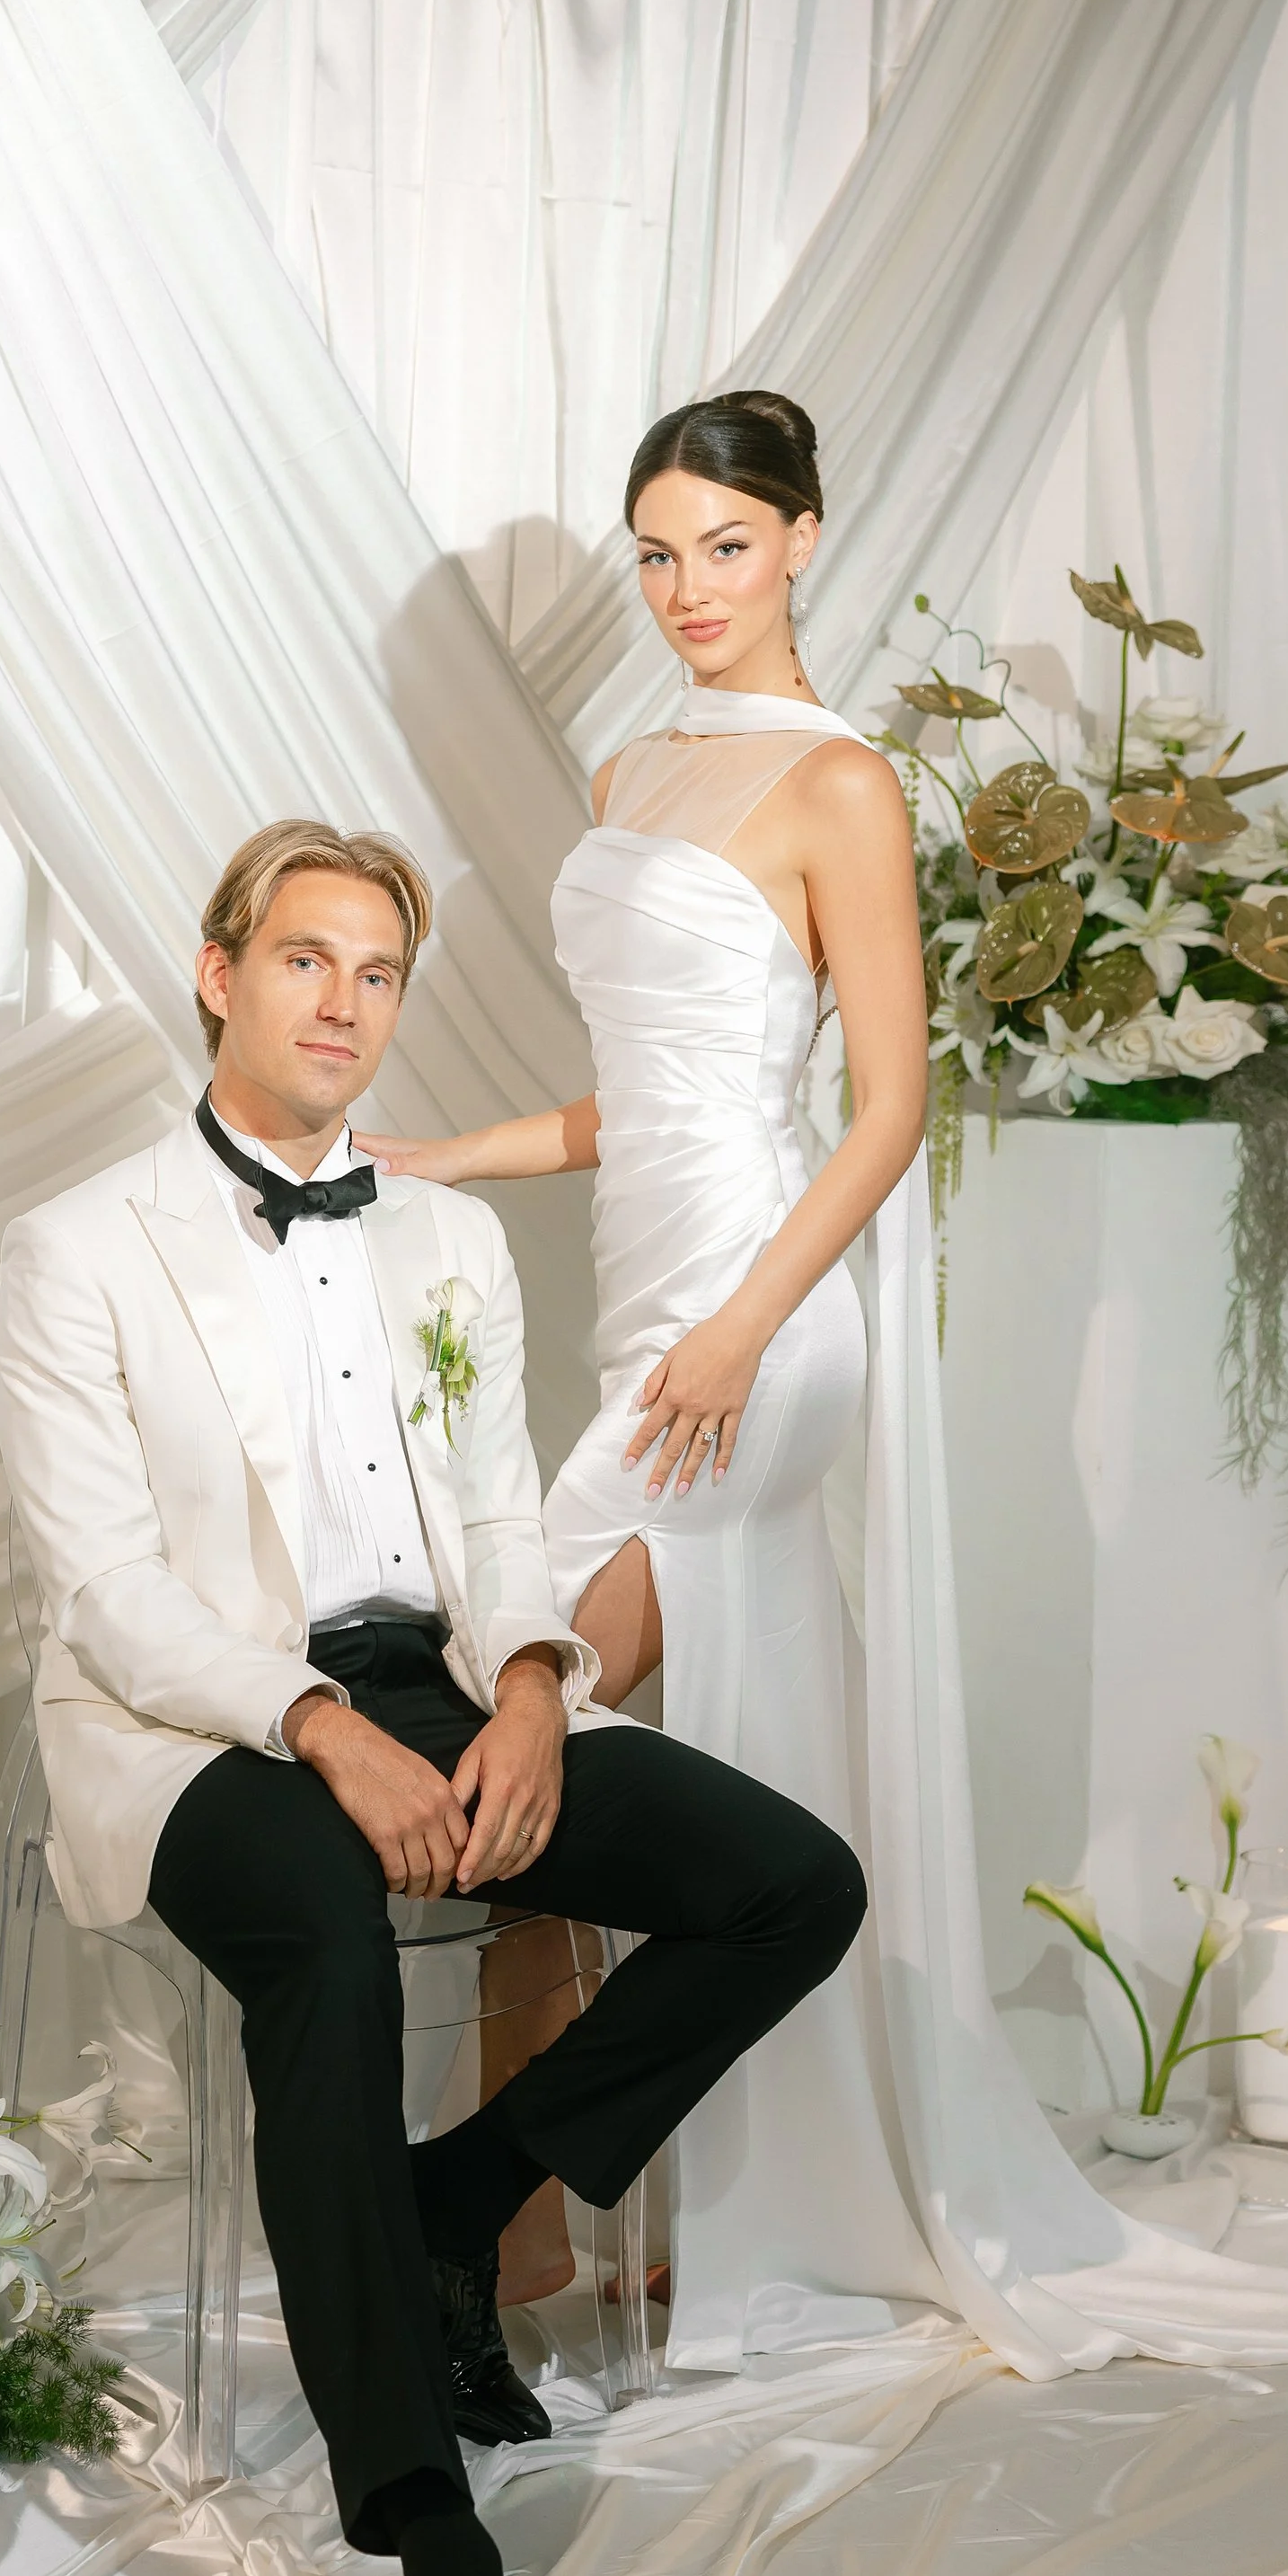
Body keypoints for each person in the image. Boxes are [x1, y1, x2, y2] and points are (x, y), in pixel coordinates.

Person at [0, 818, 867, 2576]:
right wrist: (317, 1723)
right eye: (302, 959)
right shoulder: (77, 1245)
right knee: (326, 1942)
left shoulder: (444, 1233)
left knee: (785, 1882)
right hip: (194, 1710)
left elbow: (493, 1519)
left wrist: (539, 1679)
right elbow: (107, 1591)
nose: (341, 1002)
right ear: (216, 970)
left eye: (374, 971)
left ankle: (446, 2202)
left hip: (440, 1669)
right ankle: (441, 2563)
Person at [360, 392, 945, 2365]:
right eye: (656, 552)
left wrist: (739, 1327)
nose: (686, 587)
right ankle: (507, 2250)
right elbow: (643, 1101)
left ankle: (468, 2206)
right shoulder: (634, 761)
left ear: (797, 538)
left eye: (722, 544)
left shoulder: (841, 784)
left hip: (751, 1331)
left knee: (537, 1715)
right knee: (544, 1771)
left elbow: (885, 1108)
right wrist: (441, 1156)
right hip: (647, 1319)